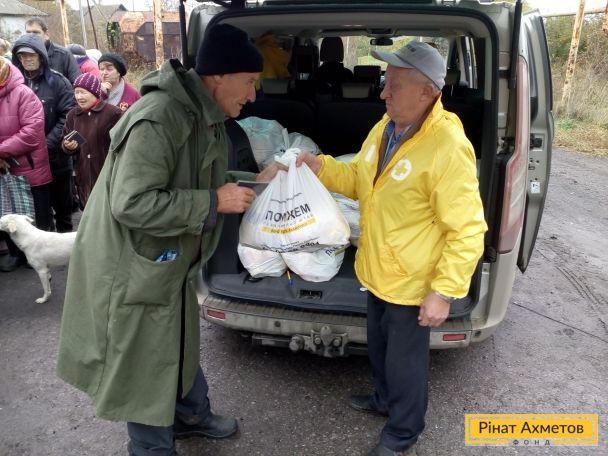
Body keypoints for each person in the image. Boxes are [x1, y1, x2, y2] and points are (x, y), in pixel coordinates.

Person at [56, 24, 282, 456]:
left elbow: (201, 177)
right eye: (250, 81)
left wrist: (255, 181)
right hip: (133, 263)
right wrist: (213, 201)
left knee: (175, 338)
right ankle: (151, 448)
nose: (253, 95)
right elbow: (132, 203)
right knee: (144, 360)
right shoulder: (160, 117)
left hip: (165, 258)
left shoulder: (202, 114)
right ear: (219, 76)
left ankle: (190, 415)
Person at [296, 41, 488, 456]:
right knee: (380, 350)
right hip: (378, 271)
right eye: (386, 82)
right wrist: (321, 166)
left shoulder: (447, 146)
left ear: (427, 92)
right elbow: (358, 179)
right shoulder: (386, 128)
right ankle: (384, 400)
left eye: (395, 85)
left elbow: (468, 229)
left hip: (412, 282)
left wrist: (443, 291)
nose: (383, 92)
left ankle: (402, 433)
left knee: (405, 365)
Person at [12, 33, 76, 233]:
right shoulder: (15, 84)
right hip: (26, 161)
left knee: (63, 210)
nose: (27, 59)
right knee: (39, 214)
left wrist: (47, 144)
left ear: (41, 55)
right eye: (22, 55)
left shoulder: (58, 82)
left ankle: (68, 248)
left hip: (55, 157)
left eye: (31, 55)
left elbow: (68, 116)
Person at [0, 58, 53, 272]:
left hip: (29, 166)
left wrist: (1, 150)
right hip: (3, 169)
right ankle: (15, 254)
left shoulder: (23, 93)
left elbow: (32, 133)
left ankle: (41, 254)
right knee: (7, 212)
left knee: (35, 215)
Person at [61, 73, 122, 208]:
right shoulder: (72, 116)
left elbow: (123, 145)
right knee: (88, 212)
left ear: (94, 92)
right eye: (76, 92)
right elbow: (65, 141)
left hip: (108, 175)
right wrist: (68, 146)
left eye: (83, 92)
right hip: (84, 177)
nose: (79, 97)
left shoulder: (113, 113)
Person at [25, 17, 80, 83]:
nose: (31, 36)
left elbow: (77, 82)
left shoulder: (64, 55)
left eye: (36, 32)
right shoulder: (22, 56)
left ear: (46, 34)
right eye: (28, 33)